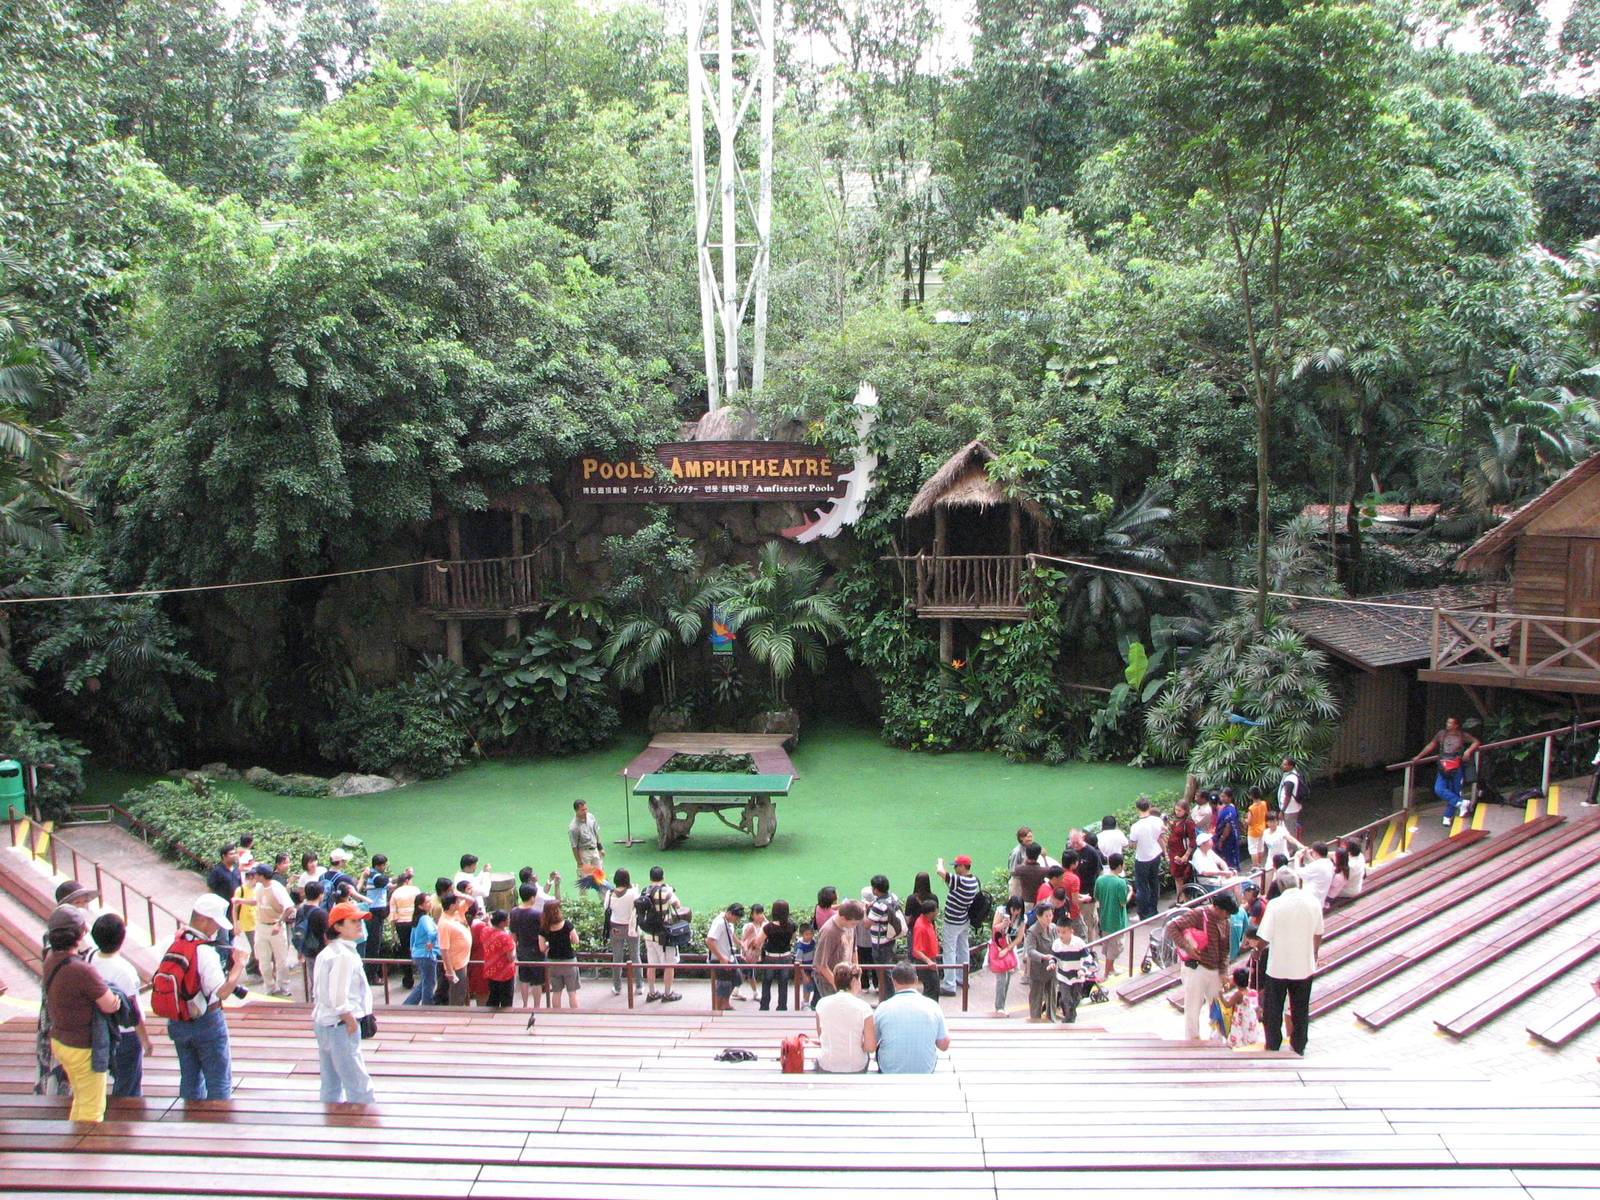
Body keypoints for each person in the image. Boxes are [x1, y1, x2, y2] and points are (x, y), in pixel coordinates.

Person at [42, 907, 121, 1121]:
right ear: (81, 933)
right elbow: (109, 1005)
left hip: (61, 1041)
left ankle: (74, 1137)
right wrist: (116, 999)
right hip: (82, 1047)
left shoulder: (50, 958)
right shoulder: (82, 970)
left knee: (81, 1099)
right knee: (93, 1109)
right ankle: (87, 1143)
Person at [167, 893, 245, 1100]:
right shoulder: (205, 952)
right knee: (219, 1081)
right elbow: (222, 992)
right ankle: (218, 1119)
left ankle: (191, 1117)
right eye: (215, 923)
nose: (217, 928)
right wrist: (238, 966)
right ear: (202, 919)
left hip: (177, 1019)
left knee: (190, 1078)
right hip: (207, 1021)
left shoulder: (172, 942)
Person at [1250, 869, 1323, 1055]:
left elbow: (1264, 937)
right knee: (1300, 1008)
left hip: (1278, 966)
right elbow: (1318, 933)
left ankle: (1273, 1044)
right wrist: (1314, 953)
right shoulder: (1313, 902)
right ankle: (1299, 1045)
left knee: (1273, 1009)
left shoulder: (1275, 905)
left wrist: (1257, 951)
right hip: (1304, 965)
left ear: (1280, 885)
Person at [311, 900, 375, 1103]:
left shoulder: (328, 952)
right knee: (358, 1085)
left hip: (325, 1022)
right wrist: (350, 1020)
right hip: (340, 1025)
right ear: (337, 927)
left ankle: (330, 1119)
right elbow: (338, 997)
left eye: (359, 920)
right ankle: (364, 1120)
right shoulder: (344, 956)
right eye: (353, 921)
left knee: (330, 1084)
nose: (359, 924)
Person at [90, 914, 152, 1099]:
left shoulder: (90, 959)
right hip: (125, 1034)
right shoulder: (124, 970)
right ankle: (124, 1115)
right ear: (122, 938)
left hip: (99, 1029)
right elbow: (132, 1010)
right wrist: (145, 1040)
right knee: (128, 1085)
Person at [1167, 891, 1237, 1042]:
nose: (1228, 916)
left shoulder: (1225, 922)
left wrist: (1223, 971)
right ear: (1217, 908)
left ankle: (1217, 1038)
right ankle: (1192, 1041)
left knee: (1217, 1006)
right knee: (1193, 1008)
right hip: (1196, 968)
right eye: (1226, 913)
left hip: (1214, 970)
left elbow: (1225, 948)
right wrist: (1187, 947)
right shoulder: (1198, 914)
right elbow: (1172, 927)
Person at [873, 962, 950, 1074]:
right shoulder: (933, 1006)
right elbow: (944, 1045)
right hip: (925, 1070)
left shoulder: (883, 1008)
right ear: (916, 980)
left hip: (890, 1071)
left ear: (894, 981)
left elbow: (872, 1042)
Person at [1416, 717, 1481, 824]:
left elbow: (1476, 742)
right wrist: (1419, 756)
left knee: (1455, 790)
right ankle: (1461, 803)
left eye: (1451, 723)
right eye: (1447, 722)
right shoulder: (1441, 734)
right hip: (1443, 765)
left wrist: (1468, 751)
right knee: (1439, 789)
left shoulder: (1462, 735)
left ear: (1456, 725)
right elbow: (1431, 744)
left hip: (1456, 765)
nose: (1448, 725)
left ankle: (1448, 816)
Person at [813, 963, 875, 1073]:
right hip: (856, 1066)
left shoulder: (821, 1004)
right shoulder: (864, 1007)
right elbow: (870, 1047)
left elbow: (821, 1036)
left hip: (827, 1064)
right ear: (854, 981)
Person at [934, 854, 980, 995]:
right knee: (963, 949)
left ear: (962, 867)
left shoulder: (960, 880)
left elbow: (940, 871)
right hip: (964, 920)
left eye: (956, 866)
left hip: (953, 921)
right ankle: (962, 979)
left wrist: (940, 861)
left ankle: (949, 985)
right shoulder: (973, 880)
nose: (954, 868)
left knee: (949, 951)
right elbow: (951, 885)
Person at [641, 866, 687, 1003]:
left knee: (651, 965)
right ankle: (668, 993)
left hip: (648, 934)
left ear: (650, 878)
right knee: (669, 965)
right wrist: (670, 890)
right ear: (663, 877)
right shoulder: (666, 891)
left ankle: (652, 992)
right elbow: (678, 905)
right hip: (664, 935)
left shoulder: (645, 891)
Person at [248, 863, 294, 998]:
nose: (254, 876)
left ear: (262, 876)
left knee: (281, 961)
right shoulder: (258, 887)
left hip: (275, 927)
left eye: (256, 874)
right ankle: (269, 986)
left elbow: (289, 908)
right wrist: (240, 901)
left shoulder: (276, 888)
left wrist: (279, 924)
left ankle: (284, 986)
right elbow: (256, 902)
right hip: (261, 926)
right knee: (263, 961)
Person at [1049, 910, 1095, 1025]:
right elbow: (1053, 957)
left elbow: (1088, 958)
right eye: (1059, 932)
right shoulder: (1056, 944)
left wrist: (1082, 969)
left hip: (1077, 977)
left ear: (1071, 931)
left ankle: (1070, 1015)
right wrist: (1052, 963)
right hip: (1063, 977)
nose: (1061, 935)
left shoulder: (1079, 943)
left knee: (1076, 998)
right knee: (1066, 999)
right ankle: (1069, 1021)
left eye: (1064, 932)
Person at [863, 876, 905, 1001]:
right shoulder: (893, 897)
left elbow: (867, 925)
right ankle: (888, 998)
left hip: (880, 944)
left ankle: (887, 999)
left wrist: (865, 910)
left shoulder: (878, 905)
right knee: (888, 970)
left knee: (883, 974)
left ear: (876, 889)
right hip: (891, 939)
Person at [811, 901, 862, 1000]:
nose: (854, 926)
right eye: (853, 923)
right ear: (843, 918)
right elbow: (821, 965)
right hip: (828, 980)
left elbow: (854, 949)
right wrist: (837, 986)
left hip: (846, 977)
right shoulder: (829, 932)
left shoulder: (850, 926)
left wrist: (856, 971)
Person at [510, 884, 548, 1006]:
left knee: (524, 978)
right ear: (532, 897)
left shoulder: (514, 912)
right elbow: (543, 932)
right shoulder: (537, 914)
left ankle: (525, 1004)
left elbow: (513, 934)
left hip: (521, 948)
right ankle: (537, 1006)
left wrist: (515, 948)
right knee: (537, 981)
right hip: (536, 950)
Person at [605, 868, 640, 997]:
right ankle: (639, 986)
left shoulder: (610, 894)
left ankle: (617, 986)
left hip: (615, 927)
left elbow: (606, 907)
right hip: (631, 927)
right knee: (635, 956)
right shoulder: (632, 893)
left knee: (617, 957)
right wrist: (636, 890)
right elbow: (638, 905)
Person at [1094, 852, 1131, 974]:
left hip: (1104, 917)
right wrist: (1130, 893)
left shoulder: (1100, 880)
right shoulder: (1120, 882)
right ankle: (1107, 972)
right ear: (1119, 866)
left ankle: (1111, 969)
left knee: (1108, 944)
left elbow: (1097, 897)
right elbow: (1123, 902)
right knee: (1115, 947)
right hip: (1117, 920)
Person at [1129, 798, 1165, 920]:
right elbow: (1161, 835)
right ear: (1149, 807)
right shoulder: (1157, 820)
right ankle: (1153, 909)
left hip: (1142, 857)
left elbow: (1133, 844)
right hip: (1156, 854)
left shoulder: (1135, 826)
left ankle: (1142, 913)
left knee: (1142, 886)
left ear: (1137, 809)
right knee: (1154, 882)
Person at [539, 900, 580, 1009]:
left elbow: (542, 948)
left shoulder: (544, 928)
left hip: (553, 961)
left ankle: (556, 1014)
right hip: (569, 960)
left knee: (556, 992)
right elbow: (576, 940)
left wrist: (549, 943)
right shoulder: (567, 924)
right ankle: (575, 1014)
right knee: (572, 992)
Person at [706, 901, 745, 1012]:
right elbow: (709, 941)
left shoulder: (728, 921)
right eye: (737, 918)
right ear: (730, 913)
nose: (737, 921)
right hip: (720, 959)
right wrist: (721, 958)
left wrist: (740, 943)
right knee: (723, 984)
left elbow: (731, 933)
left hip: (729, 956)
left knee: (736, 979)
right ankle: (717, 1008)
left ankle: (725, 1003)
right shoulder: (719, 923)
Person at [758, 899, 796, 1011]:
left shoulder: (768, 927)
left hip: (770, 957)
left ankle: (764, 1007)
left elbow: (758, 941)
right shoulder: (792, 925)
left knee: (767, 982)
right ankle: (782, 1007)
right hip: (786, 957)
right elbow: (793, 938)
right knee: (783, 983)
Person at [1023, 899, 1057, 1022]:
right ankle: (1035, 1021)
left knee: (1052, 996)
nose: (1049, 918)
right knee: (1036, 998)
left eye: (1051, 915)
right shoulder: (1033, 931)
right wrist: (1043, 957)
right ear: (1039, 916)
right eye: (1046, 916)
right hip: (1038, 969)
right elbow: (1030, 950)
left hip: (1052, 968)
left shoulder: (1053, 928)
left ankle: (1051, 1019)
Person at [986, 900, 1022, 1017]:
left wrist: (1008, 949)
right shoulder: (1001, 912)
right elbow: (994, 928)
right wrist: (1004, 924)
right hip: (998, 947)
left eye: (1018, 910)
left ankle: (1001, 1005)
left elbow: (1019, 937)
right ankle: (999, 1007)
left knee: (1007, 977)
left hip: (1009, 948)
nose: (1015, 912)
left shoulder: (1022, 918)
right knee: (1001, 978)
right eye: (1013, 909)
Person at [403, 892, 440, 1006]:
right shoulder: (425, 918)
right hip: (426, 954)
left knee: (425, 982)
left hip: (419, 954)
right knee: (429, 982)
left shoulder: (418, 918)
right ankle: (427, 1006)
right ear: (420, 906)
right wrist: (432, 940)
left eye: (430, 901)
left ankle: (408, 1005)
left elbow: (412, 938)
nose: (430, 904)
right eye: (427, 902)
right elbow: (432, 932)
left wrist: (413, 950)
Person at [569, 800, 611, 899]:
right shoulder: (573, 827)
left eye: (586, 809)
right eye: (582, 810)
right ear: (576, 811)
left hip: (594, 850)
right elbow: (574, 846)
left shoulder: (591, 817)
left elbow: (596, 833)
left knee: (600, 876)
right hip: (584, 853)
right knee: (584, 879)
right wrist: (579, 862)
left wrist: (600, 848)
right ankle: (583, 901)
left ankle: (604, 899)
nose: (585, 811)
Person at [359, 854, 391, 980]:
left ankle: (372, 974)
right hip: (374, 912)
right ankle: (371, 975)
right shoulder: (376, 877)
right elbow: (387, 883)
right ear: (378, 866)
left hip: (377, 912)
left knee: (374, 944)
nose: (384, 867)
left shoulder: (375, 875)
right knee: (374, 944)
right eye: (383, 865)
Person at [387, 868, 420, 990]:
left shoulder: (395, 893)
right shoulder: (415, 890)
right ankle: (423, 977)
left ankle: (408, 979)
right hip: (415, 923)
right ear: (407, 881)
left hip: (401, 925)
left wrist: (393, 934)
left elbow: (393, 915)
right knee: (419, 947)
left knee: (405, 950)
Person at [438, 893, 472, 1006]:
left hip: (462, 960)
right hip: (456, 964)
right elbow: (444, 949)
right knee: (457, 993)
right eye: (457, 902)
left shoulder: (456, 913)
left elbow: (470, 901)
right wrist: (449, 971)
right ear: (452, 906)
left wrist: (458, 894)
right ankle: (455, 1013)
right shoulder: (444, 923)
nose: (459, 903)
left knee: (462, 991)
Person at [1217, 965, 1263, 1048]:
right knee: (1249, 1034)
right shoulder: (1251, 992)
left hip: (1241, 1018)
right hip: (1250, 1017)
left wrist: (1220, 995)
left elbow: (1227, 1005)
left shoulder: (1238, 994)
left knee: (1240, 1034)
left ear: (1235, 982)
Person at [908, 897, 942, 999]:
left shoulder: (927, 921)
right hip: (925, 962)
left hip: (930, 960)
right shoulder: (921, 927)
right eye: (936, 910)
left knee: (933, 988)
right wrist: (929, 962)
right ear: (930, 913)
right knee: (932, 989)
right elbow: (916, 950)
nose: (937, 912)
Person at [482, 910, 516, 1009]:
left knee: (493, 996)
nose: (509, 920)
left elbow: (489, 927)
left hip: (490, 969)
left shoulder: (485, 931)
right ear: (502, 923)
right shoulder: (505, 937)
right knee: (506, 999)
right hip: (505, 972)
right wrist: (514, 946)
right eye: (507, 919)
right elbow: (510, 958)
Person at [1166, 800, 1198, 897]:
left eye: (1179, 810)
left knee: (1182, 876)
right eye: (1176, 810)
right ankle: (1180, 897)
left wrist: (1186, 855)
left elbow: (1192, 840)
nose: (1177, 812)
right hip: (1173, 852)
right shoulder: (1176, 821)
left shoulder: (1188, 822)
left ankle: (1183, 897)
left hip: (1181, 852)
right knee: (1176, 876)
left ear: (1185, 811)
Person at [1295, 842, 1336, 909]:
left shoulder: (1317, 865)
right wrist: (1308, 856)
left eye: (1312, 852)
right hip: (1319, 900)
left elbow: (1299, 872)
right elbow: (1317, 865)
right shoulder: (1329, 863)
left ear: (1316, 853)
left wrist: (1296, 858)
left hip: (1310, 901)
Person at [1010, 843, 1050, 909]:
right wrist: (1044, 857)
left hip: (1025, 901)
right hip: (1039, 901)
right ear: (1038, 855)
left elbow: (1015, 871)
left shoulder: (1020, 869)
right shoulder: (1042, 870)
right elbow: (1050, 871)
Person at [1214, 787, 1243, 871]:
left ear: (1230, 798)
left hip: (1228, 839)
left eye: (1224, 796)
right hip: (1225, 837)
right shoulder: (1225, 808)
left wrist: (1222, 839)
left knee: (1229, 860)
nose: (1222, 798)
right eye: (1221, 796)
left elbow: (1228, 826)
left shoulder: (1230, 810)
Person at [1278, 758, 1306, 836]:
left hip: (1289, 809)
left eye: (1285, 764)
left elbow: (1288, 796)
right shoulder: (1295, 774)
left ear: (1291, 766)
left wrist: (1282, 811)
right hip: (1293, 807)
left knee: (1289, 830)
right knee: (1291, 827)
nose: (1282, 766)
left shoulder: (1290, 779)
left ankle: (1291, 844)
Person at [1245, 787, 1270, 867]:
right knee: (1260, 847)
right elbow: (1266, 814)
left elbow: (1249, 821)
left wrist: (1245, 820)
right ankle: (1259, 863)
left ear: (1251, 796)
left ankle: (1255, 865)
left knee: (1253, 849)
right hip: (1262, 828)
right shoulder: (1264, 803)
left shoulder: (1251, 808)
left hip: (1253, 831)